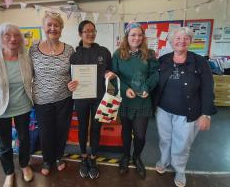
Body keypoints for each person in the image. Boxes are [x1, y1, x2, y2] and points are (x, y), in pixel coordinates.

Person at [154, 27, 217, 187]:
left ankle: (179, 169)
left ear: (190, 41)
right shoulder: (164, 59)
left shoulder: (200, 61)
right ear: (171, 41)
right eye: (177, 38)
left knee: (182, 144)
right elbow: (154, 81)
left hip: (188, 113)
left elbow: (208, 88)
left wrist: (206, 114)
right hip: (163, 110)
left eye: (185, 38)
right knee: (165, 139)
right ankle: (164, 160)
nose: (181, 41)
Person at [0, 23, 34, 187]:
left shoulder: (26, 58)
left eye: (17, 36)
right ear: (0, 39)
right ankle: (9, 172)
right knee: (4, 145)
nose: (13, 39)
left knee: (24, 140)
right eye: (7, 35)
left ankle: (25, 165)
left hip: (23, 107)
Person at [111, 22, 159, 179]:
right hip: (125, 100)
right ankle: (125, 156)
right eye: (133, 34)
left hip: (143, 101)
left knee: (140, 135)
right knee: (125, 132)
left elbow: (155, 74)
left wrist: (148, 87)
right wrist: (125, 89)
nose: (136, 38)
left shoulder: (149, 54)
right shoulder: (118, 54)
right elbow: (114, 76)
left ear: (143, 37)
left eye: (139, 35)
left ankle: (137, 157)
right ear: (127, 36)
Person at [29, 11, 74, 176]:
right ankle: (47, 160)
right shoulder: (33, 49)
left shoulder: (69, 50)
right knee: (46, 131)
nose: (53, 28)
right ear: (44, 27)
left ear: (61, 28)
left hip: (64, 98)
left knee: (62, 130)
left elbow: (73, 73)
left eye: (56, 25)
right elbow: (28, 74)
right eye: (49, 25)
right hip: (42, 99)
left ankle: (59, 157)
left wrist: (74, 82)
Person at [68, 20, 114, 179]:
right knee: (82, 128)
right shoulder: (74, 55)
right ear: (80, 33)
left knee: (95, 128)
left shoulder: (104, 52)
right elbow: (69, 77)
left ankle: (93, 158)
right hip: (81, 98)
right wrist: (71, 85)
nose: (91, 33)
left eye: (93, 30)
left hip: (99, 98)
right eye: (87, 31)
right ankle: (83, 158)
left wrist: (111, 74)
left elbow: (111, 71)